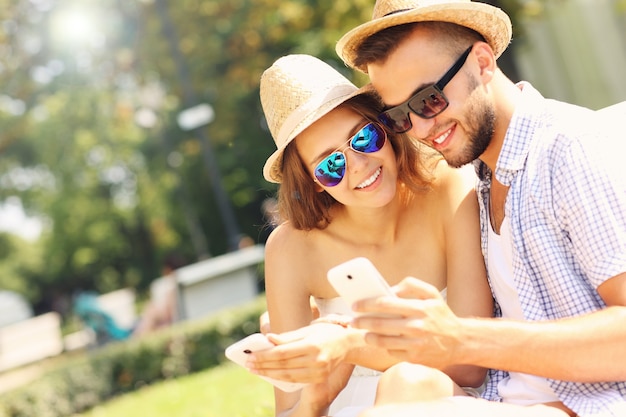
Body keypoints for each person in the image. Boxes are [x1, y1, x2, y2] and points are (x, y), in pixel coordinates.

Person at [333, 0, 626, 416]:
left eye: (428, 99)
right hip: (507, 402)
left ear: (484, 63)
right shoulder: (483, 181)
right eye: (398, 115)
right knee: (407, 383)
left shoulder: (566, 149)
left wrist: (460, 337)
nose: (419, 128)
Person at [246, 53, 493, 417]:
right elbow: (291, 409)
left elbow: (471, 365)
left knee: (407, 381)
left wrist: (346, 344)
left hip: (445, 401)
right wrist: (315, 398)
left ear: (385, 128)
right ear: (313, 183)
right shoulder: (290, 249)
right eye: (331, 164)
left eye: (363, 138)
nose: (358, 165)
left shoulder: (449, 190)